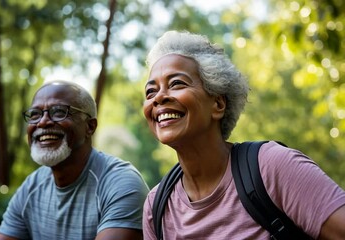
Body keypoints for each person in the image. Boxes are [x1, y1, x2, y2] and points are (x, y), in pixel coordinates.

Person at [141, 30, 345, 239]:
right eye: (150, 91)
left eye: (177, 83)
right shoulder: (156, 206)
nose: (159, 98)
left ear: (218, 104)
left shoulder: (272, 166)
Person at [0, 80, 149, 240]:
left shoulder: (120, 184)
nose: (43, 122)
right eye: (35, 114)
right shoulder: (32, 186)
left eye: (59, 112)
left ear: (90, 127)